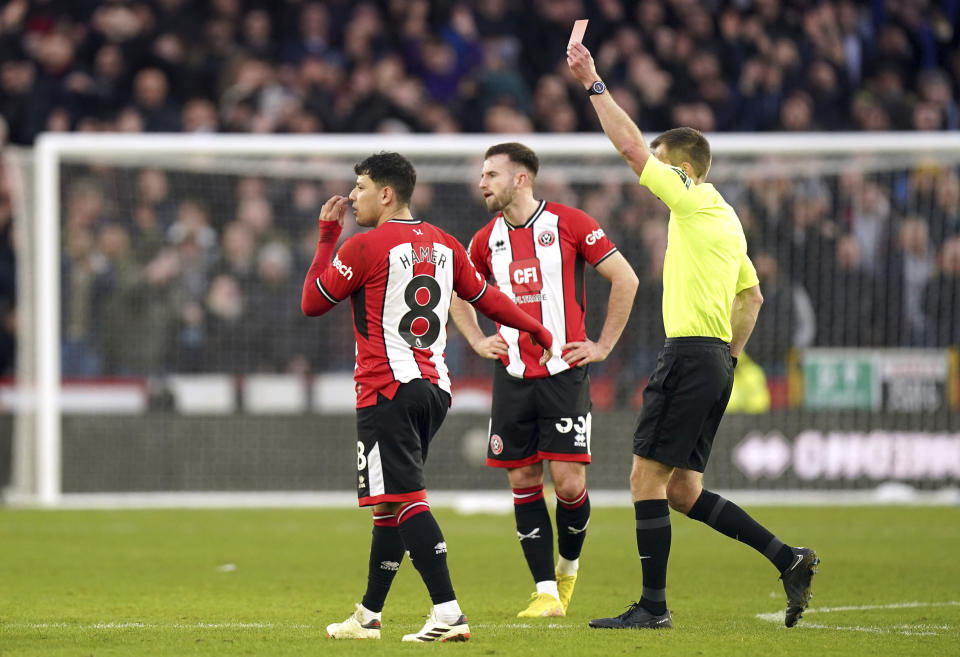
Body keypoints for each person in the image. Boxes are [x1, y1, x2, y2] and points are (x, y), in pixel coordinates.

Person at [567, 42, 818, 630]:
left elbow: (631, 149)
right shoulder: (726, 219)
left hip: (688, 353)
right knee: (682, 490)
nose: (651, 172)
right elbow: (750, 298)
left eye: (662, 163)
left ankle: (653, 608)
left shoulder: (692, 197)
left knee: (644, 479)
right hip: (714, 360)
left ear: (682, 169)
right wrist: (728, 358)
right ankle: (789, 559)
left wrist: (594, 82)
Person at [300, 152, 556, 642]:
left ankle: (448, 612)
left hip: (386, 388)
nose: (352, 197)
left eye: (359, 188)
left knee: (405, 499)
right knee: (387, 505)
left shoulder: (363, 247)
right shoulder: (444, 242)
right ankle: (369, 616)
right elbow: (487, 297)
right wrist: (535, 328)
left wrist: (327, 237)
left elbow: (312, 302)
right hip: (434, 389)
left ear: (386, 194)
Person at [450, 142, 639, 618]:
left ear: (521, 179)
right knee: (523, 477)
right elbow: (458, 290)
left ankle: (568, 569)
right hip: (513, 375)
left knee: (570, 483)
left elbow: (626, 279)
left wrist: (602, 346)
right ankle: (545, 593)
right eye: (482, 174)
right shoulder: (483, 240)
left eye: (491, 174)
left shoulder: (570, 224)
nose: (482, 183)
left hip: (564, 372)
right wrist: (475, 338)